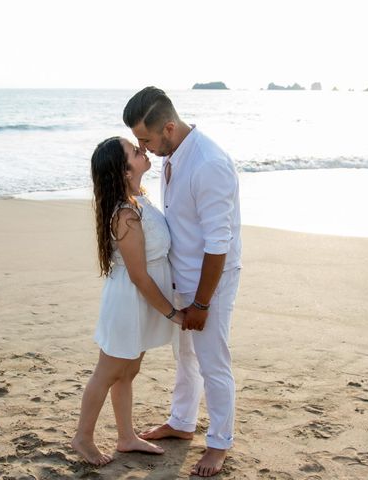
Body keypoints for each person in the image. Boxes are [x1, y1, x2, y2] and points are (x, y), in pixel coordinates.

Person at [123, 87, 242, 477]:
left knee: (213, 361)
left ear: (169, 127)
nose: (145, 149)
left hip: (211, 282)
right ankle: (182, 422)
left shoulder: (208, 164)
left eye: (147, 139)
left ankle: (220, 443)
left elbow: (218, 244)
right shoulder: (175, 156)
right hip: (183, 276)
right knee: (185, 357)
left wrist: (203, 303)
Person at [71, 136, 184, 466]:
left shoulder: (138, 198)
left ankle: (126, 437)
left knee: (128, 371)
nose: (143, 149)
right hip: (130, 303)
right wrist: (173, 313)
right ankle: (83, 437)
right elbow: (138, 275)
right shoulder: (125, 215)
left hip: (143, 302)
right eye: (135, 151)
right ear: (123, 171)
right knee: (107, 371)